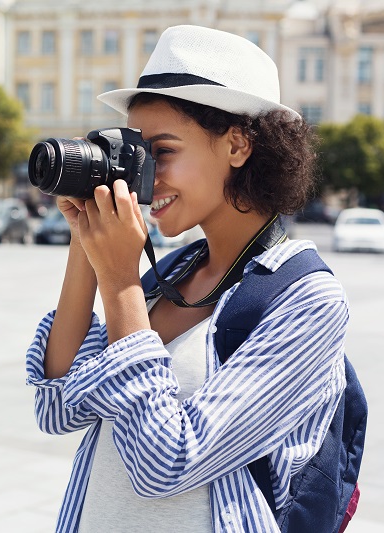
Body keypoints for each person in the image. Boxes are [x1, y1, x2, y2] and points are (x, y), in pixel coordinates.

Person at [25, 25, 348, 532]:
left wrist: (121, 283)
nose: (142, 176)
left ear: (238, 145)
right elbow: (57, 407)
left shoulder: (307, 299)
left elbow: (166, 462)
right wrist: (86, 240)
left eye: (162, 152)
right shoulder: (172, 274)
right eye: (132, 155)